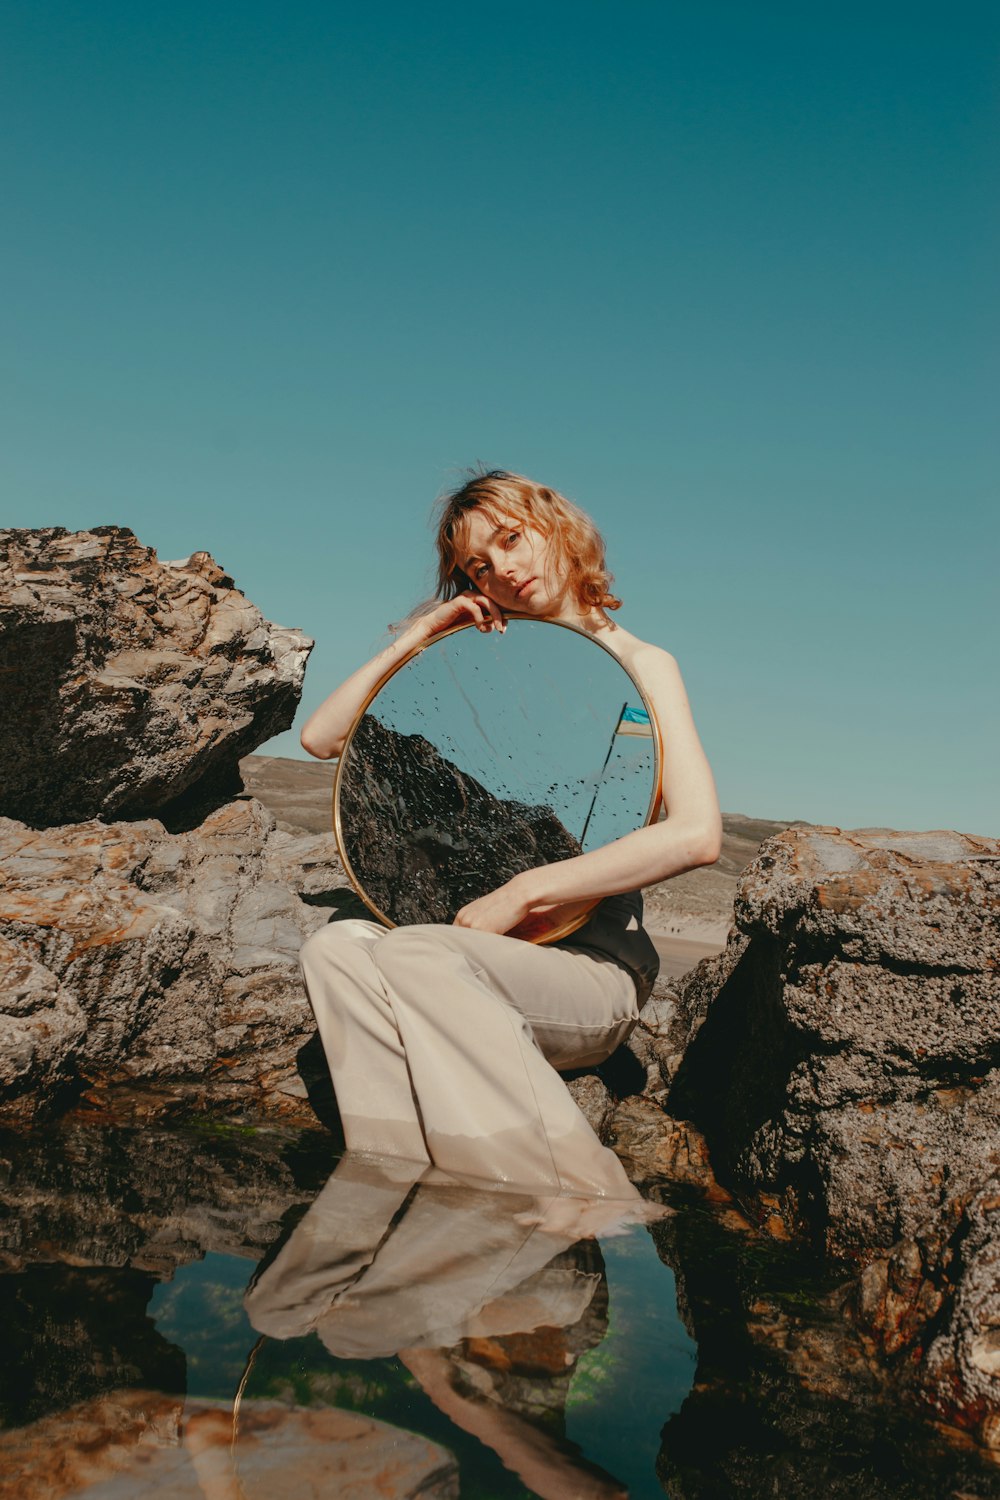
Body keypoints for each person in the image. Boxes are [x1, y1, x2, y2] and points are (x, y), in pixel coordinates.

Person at [297, 469, 722, 1197]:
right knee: (335, 947)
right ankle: (386, 1183)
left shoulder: (645, 667)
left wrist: (525, 890)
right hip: (471, 958)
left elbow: (696, 834)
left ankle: (582, 1196)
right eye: (478, 568)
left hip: (588, 973)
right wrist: (425, 632)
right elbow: (323, 737)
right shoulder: (487, 664)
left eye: (511, 541)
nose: (505, 572)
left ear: (557, 526)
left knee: (418, 956)